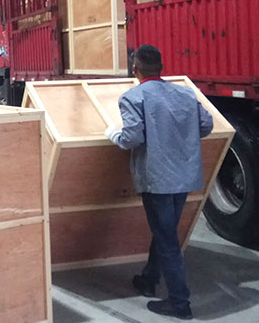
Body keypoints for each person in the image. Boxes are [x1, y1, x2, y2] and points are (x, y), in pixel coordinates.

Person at [105, 45, 213, 320]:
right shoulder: (184, 93)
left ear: (135, 69)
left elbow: (132, 138)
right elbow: (206, 125)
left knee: (167, 240)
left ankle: (180, 304)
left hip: (158, 179)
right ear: (161, 68)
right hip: (183, 176)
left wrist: (114, 136)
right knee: (165, 232)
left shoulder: (133, 97)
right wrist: (178, 137)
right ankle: (149, 279)